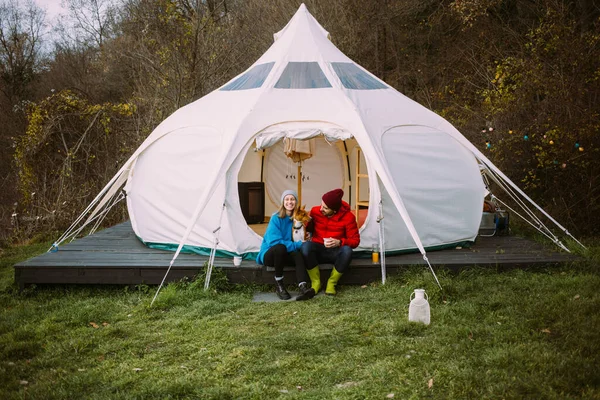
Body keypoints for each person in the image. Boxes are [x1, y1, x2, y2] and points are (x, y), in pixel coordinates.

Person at [256, 189, 313, 300]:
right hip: (270, 254)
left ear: (296, 202)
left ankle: (303, 287)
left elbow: (300, 235)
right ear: (283, 202)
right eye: (286, 199)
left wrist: (306, 236)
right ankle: (279, 285)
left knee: (297, 255)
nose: (289, 202)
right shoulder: (275, 218)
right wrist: (298, 244)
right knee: (280, 248)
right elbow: (275, 242)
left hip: (285, 253)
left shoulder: (296, 219)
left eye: (292, 199)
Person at [301, 188, 360, 295]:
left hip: (335, 252)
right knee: (306, 247)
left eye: (325, 208)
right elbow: (308, 229)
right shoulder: (315, 211)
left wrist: (340, 242)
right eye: (321, 205)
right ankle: (316, 282)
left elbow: (355, 241)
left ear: (334, 210)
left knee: (347, 251)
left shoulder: (348, 217)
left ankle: (332, 283)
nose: (321, 209)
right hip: (318, 249)